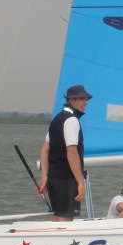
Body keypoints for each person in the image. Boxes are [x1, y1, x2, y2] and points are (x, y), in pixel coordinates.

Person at [39, 84, 91, 222]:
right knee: (66, 218)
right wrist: (80, 182)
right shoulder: (71, 120)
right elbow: (72, 152)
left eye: (86, 99)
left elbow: (45, 149)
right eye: (81, 99)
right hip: (66, 179)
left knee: (57, 215)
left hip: (54, 178)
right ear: (70, 100)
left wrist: (45, 176)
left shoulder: (57, 119)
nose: (85, 102)